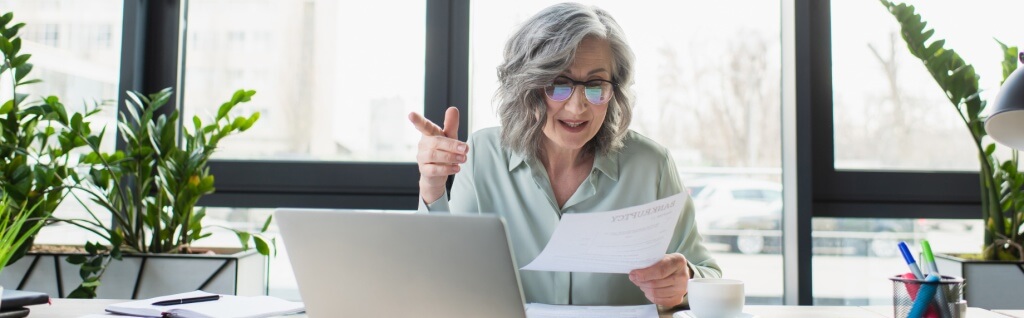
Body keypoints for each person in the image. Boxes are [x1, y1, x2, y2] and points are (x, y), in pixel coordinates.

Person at [407, 2, 720, 307]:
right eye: (559, 84)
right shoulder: (483, 158)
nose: (577, 106)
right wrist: (433, 188)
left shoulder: (652, 166)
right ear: (527, 87)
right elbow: (440, 280)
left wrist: (685, 282)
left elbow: (710, 276)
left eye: (596, 85)